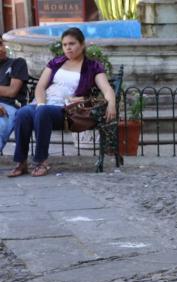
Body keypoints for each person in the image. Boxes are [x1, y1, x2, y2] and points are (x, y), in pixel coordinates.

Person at [7, 27, 116, 178]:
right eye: (64, 45)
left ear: (82, 44)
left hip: (66, 110)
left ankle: (41, 161)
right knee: (22, 113)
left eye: (72, 44)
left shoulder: (92, 66)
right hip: (43, 103)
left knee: (43, 113)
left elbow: (107, 89)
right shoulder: (56, 62)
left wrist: (111, 104)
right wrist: (40, 104)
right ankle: (21, 162)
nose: (68, 48)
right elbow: (40, 87)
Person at [0, 39, 29, 154]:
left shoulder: (17, 63)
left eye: (1, 44)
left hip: (9, 106)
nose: (1, 49)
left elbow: (12, 91)